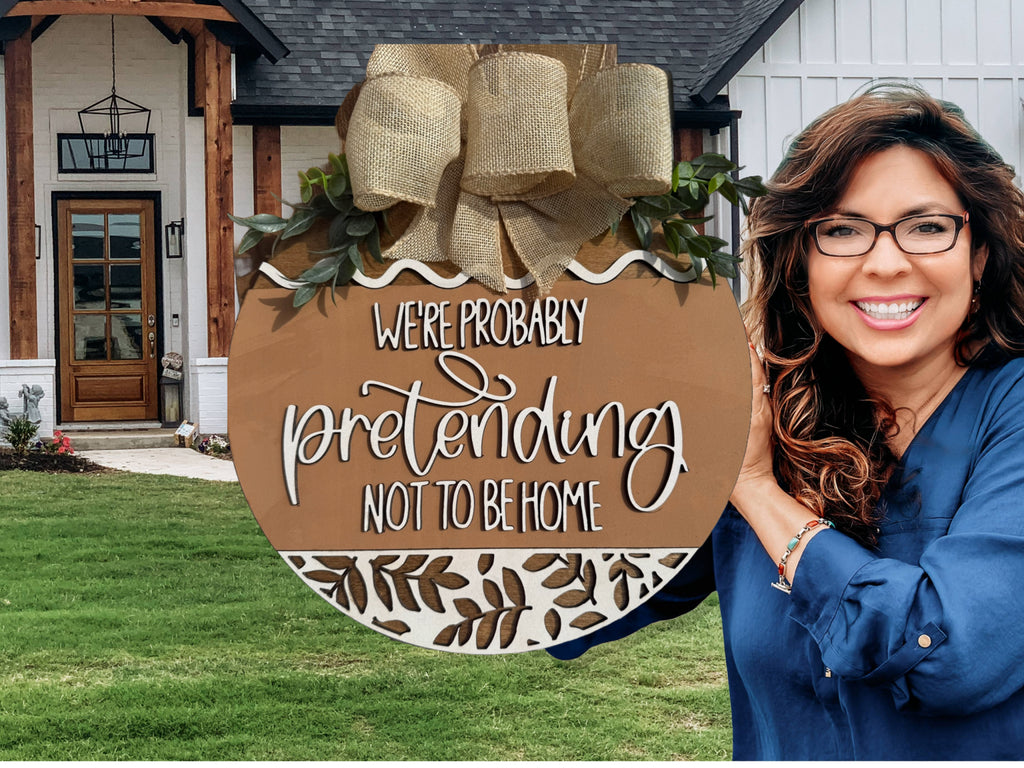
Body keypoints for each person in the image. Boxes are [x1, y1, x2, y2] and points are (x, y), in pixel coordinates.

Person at [550, 83, 1024, 760]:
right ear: (801, 262)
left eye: (926, 227)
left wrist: (754, 487)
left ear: (978, 255)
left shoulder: (1009, 414)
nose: (886, 263)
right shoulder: (763, 413)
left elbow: (949, 657)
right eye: (842, 230)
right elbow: (573, 599)